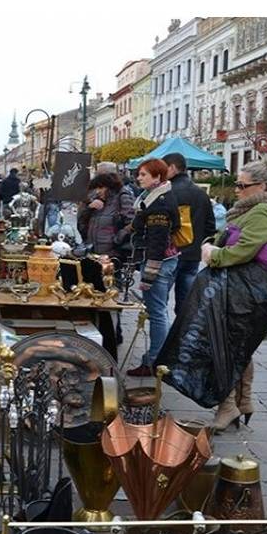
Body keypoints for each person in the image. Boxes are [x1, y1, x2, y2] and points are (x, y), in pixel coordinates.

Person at [200, 158, 267, 430]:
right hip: (239, 288)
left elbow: (244, 250)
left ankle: (226, 406)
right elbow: (228, 237)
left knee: (223, 347)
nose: (236, 189)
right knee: (240, 349)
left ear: (261, 186)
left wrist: (215, 255)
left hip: (245, 291)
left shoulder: (264, 212)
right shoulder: (248, 209)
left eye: (242, 185)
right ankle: (243, 401)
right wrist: (211, 243)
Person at [126, 159, 180, 378]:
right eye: (139, 174)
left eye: (144, 175)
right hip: (164, 260)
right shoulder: (151, 198)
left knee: (157, 312)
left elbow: (158, 242)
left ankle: (155, 362)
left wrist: (149, 275)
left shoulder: (159, 203)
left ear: (158, 177)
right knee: (158, 311)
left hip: (160, 262)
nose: (139, 178)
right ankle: (157, 359)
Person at [164, 152, 216, 313]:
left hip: (171, 253)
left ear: (172, 168)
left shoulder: (168, 191)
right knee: (186, 303)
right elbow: (210, 225)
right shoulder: (201, 193)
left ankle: (165, 336)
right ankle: (183, 334)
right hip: (193, 254)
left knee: (160, 302)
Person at [78, 171, 134, 258]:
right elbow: (82, 225)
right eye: (96, 188)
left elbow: (132, 223)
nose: (98, 191)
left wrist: (116, 240)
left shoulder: (122, 197)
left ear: (110, 187)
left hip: (113, 256)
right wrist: (88, 209)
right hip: (93, 253)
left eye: (101, 187)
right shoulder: (96, 200)